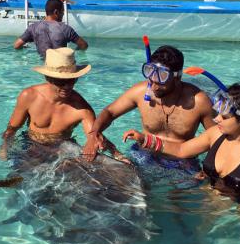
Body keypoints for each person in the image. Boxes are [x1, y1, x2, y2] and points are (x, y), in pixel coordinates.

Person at [123, 83, 240, 224]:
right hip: (211, 199)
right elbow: (181, 150)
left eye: (224, 117)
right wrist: (145, 140)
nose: (216, 119)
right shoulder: (215, 134)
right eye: (217, 115)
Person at [82, 45, 215, 173]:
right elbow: (109, 112)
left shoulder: (199, 101)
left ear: (177, 77)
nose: (154, 87)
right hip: (143, 154)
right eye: (151, 80)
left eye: (161, 82)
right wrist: (93, 135)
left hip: (181, 162)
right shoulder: (140, 91)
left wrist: (209, 169)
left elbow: (216, 138)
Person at [0, 47, 125, 161]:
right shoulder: (29, 96)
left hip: (61, 150)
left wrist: (117, 154)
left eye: (71, 80)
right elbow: (12, 128)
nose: (67, 86)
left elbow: (95, 137)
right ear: (48, 78)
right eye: (60, 82)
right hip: (30, 145)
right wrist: (4, 148)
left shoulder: (82, 109)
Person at [13, 0, 88, 58]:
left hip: (44, 65)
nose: (63, 15)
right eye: (62, 12)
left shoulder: (33, 28)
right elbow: (84, 45)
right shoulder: (66, 29)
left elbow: (17, 45)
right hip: (62, 64)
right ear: (56, 12)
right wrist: (72, 53)